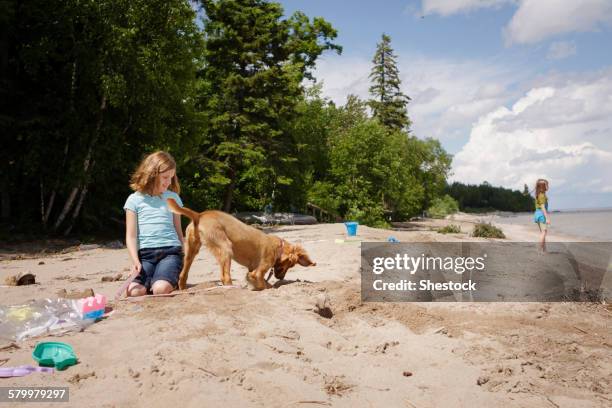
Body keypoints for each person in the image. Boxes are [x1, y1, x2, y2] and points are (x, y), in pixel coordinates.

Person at [123, 151, 184, 296]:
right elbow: (131, 236)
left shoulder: (173, 198)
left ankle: (165, 279)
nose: (169, 182)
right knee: (135, 292)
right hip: (146, 256)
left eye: (171, 178)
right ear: (152, 174)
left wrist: (184, 255)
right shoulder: (133, 200)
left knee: (160, 289)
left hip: (171, 253)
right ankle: (154, 279)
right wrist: (135, 261)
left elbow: (178, 230)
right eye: (165, 177)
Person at [533, 179, 550, 253]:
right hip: (541, 214)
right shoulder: (542, 195)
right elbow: (543, 207)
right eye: (546, 184)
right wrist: (547, 218)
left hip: (537, 214)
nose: (548, 186)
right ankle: (540, 249)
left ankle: (544, 250)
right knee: (544, 232)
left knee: (542, 232)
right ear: (542, 187)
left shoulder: (538, 194)